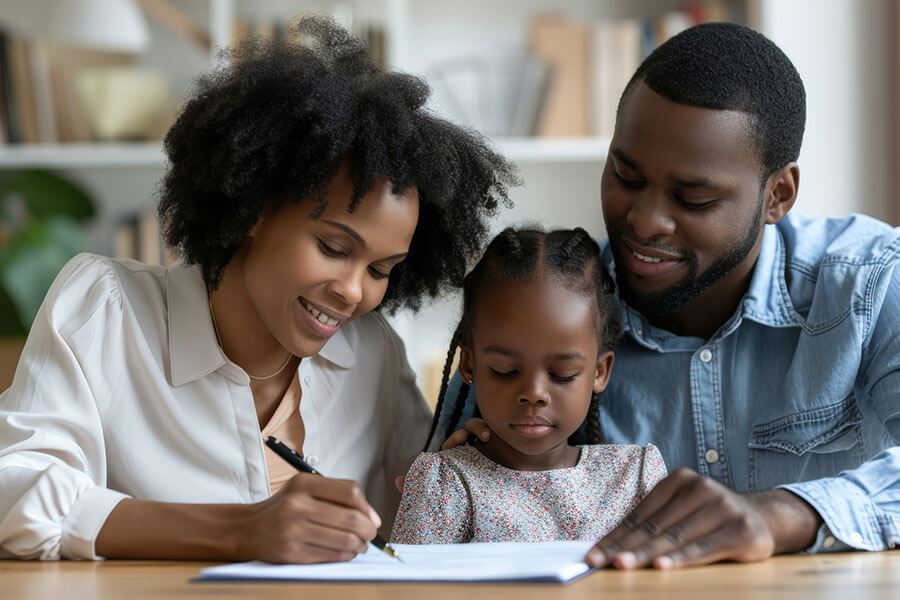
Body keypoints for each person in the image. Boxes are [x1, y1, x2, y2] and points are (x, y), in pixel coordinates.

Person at [0, 17, 517, 562]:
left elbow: (420, 508)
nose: (352, 291)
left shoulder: (371, 354)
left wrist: (465, 472)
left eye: (381, 269)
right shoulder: (106, 310)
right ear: (254, 207)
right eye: (334, 248)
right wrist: (241, 530)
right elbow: (14, 491)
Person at [442, 22, 899, 568]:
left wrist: (784, 515)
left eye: (693, 197)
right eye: (626, 176)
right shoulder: (550, 309)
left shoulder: (868, 284)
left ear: (778, 194)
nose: (644, 220)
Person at [391, 227, 666, 544]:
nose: (534, 393)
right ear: (469, 365)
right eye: (504, 370)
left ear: (600, 372)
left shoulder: (635, 477)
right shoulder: (446, 485)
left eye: (563, 373)